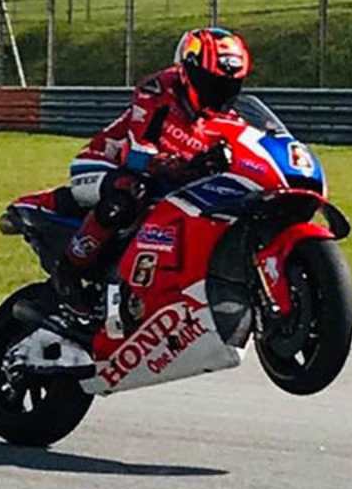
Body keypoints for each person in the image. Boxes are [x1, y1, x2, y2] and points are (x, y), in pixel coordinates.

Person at [52, 28, 253, 318]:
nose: (220, 93)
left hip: (165, 178)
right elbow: (137, 153)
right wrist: (181, 167)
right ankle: (69, 269)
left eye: (229, 86)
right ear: (188, 72)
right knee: (130, 190)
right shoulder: (157, 91)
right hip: (102, 164)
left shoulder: (225, 118)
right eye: (212, 83)